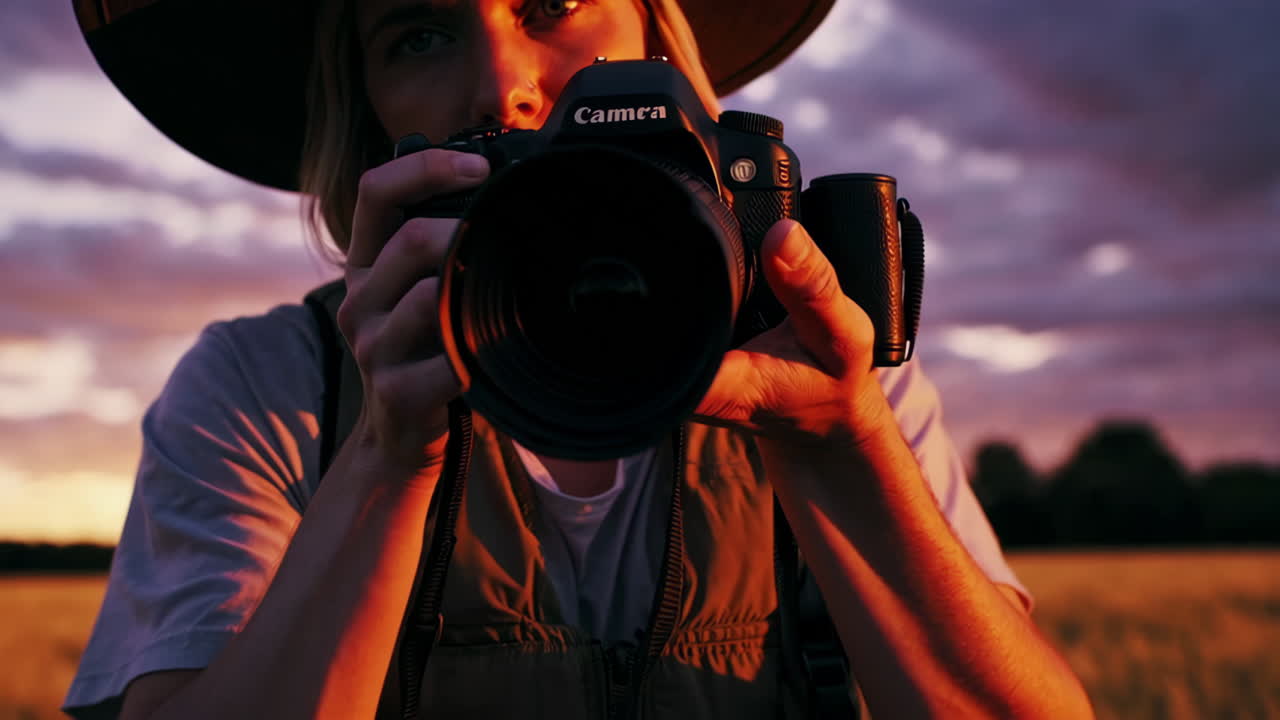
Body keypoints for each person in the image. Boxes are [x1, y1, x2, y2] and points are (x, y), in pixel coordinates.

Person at [64, 0, 1094, 718]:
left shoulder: (822, 362)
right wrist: (386, 458)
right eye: (417, 34)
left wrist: (838, 443)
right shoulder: (267, 387)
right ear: (369, 115)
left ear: (658, 36)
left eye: (552, 0)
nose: (500, 86)